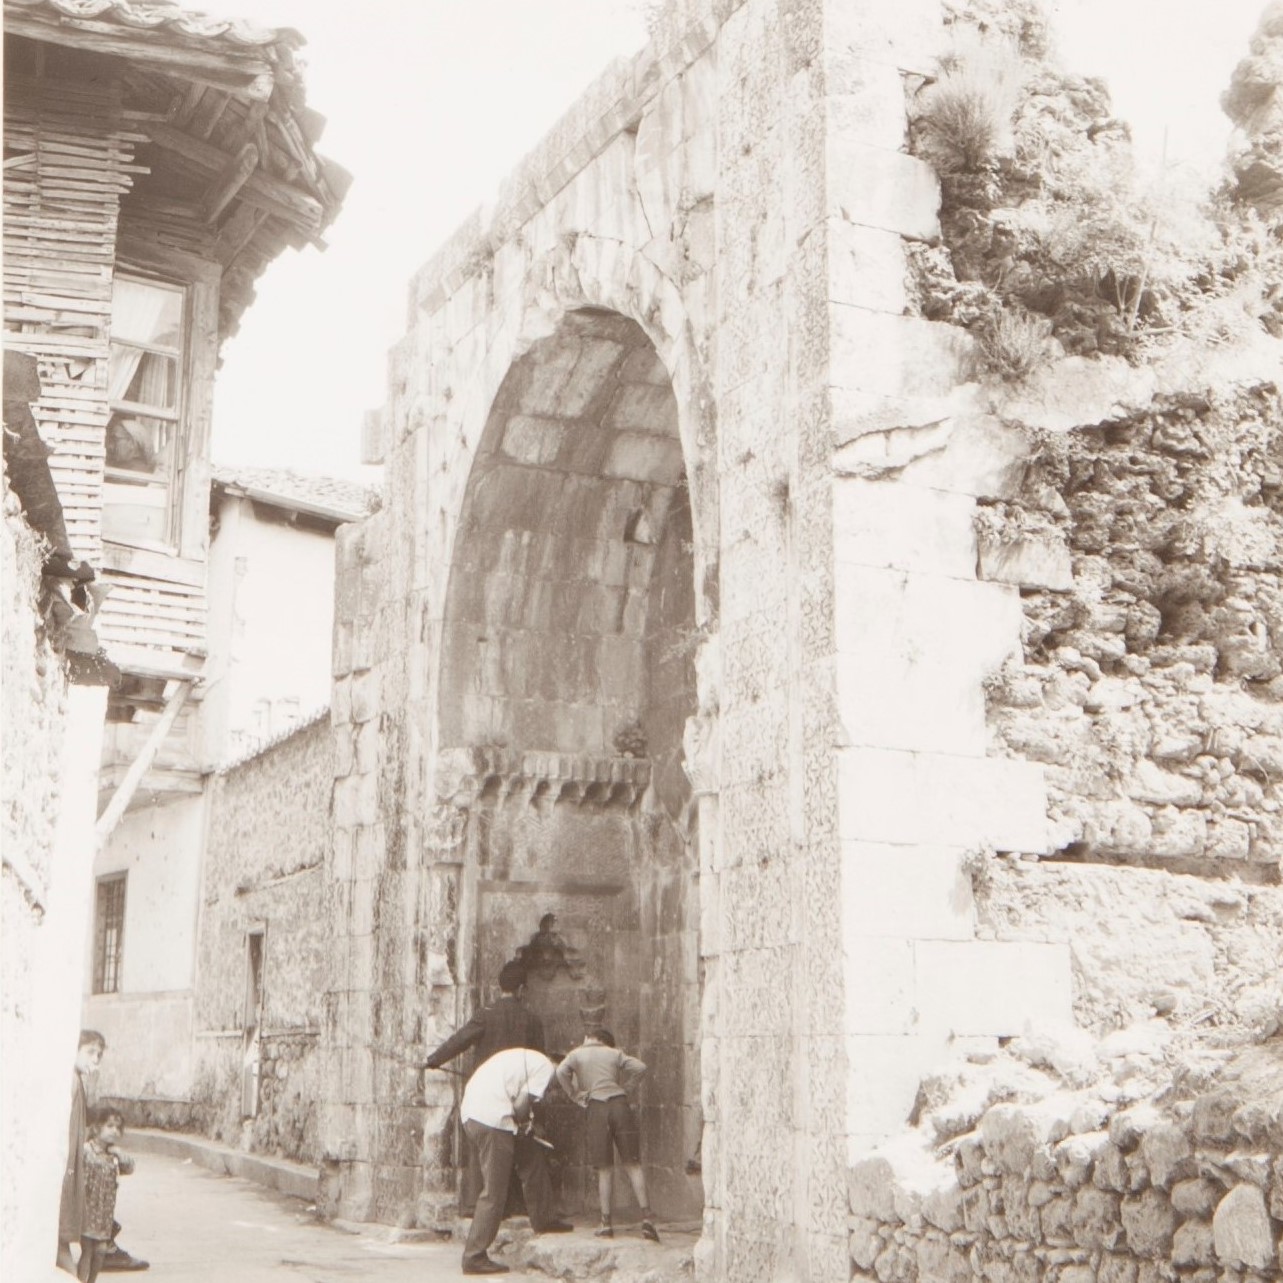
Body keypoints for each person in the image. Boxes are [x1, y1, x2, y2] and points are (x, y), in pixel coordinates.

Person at [457, 1047, 573, 1275]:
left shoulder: (527, 1059)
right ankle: (474, 1256)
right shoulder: (546, 1067)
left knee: (530, 1155)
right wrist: (525, 1121)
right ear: (560, 1065)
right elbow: (521, 1105)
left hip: (476, 1114)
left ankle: (545, 1219)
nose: (557, 1087)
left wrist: (523, 1126)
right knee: (494, 1190)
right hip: (492, 1120)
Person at [555, 1028, 659, 1242]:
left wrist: (574, 1095)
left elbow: (560, 1072)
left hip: (597, 1108)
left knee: (604, 1168)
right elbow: (641, 1067)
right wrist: (626, 1088)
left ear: (588, 1037)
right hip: (620, 1105)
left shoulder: (576, 1054)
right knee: (633, 1164)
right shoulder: (614, 1053)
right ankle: (647, 1219)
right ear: (604, 1041)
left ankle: (606, 1223)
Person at [423, 960, 544, 1071]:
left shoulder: (485, 1014)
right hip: (517, 1089)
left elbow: (460, 1040)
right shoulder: (533, 1020)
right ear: (521, 988)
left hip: (486, 1087)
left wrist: (433, 1060)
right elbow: (539, 1062)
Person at [58, 1031, 103, 1273]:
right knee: (60, 1239)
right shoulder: (71, 1080)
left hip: (72, 1165)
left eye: (99, 1055)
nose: (95, 1059)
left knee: (64, 1239)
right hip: (66, 1167)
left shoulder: (78, 1080)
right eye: (89, 1052)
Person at [78, 1106, 135, 1283]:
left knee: (101, 1250)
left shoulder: (113, 1155)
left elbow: (130, 1168)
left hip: (104, 1212)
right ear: (96, 1128)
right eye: (110, 1126)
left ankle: (92, 1280)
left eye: (118, 1128)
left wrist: (119, 1153)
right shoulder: (86, 1150)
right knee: (87, 1250)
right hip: (87, 1208)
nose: (115, 1131)